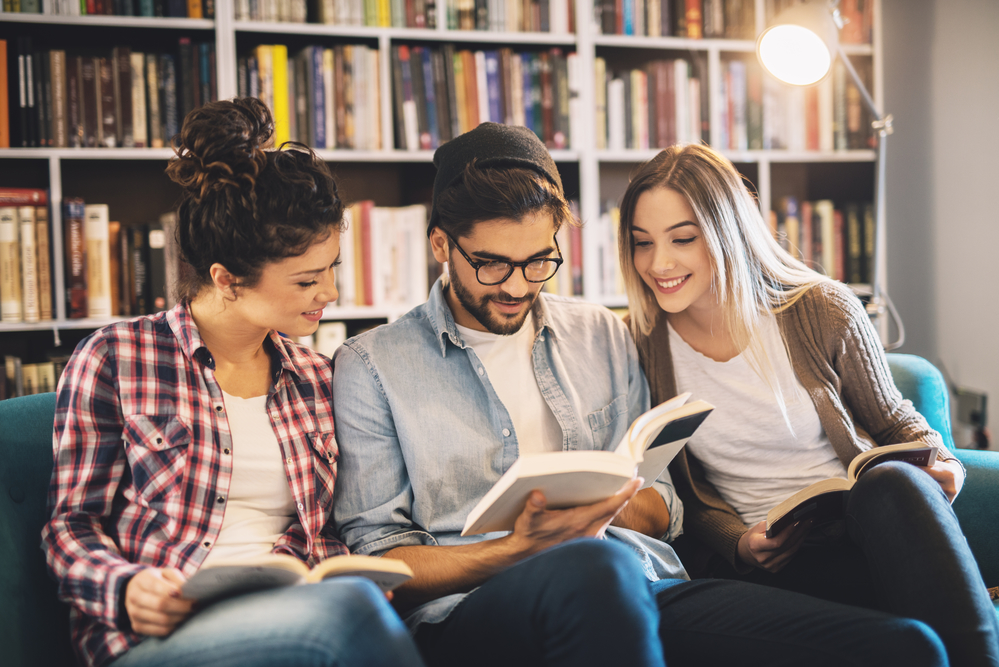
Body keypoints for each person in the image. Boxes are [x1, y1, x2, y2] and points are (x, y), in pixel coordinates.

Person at [331, 122, 950, 667]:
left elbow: (663, 502)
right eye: (491, 265)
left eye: (539, 261)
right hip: (477, 607)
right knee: (589, 566)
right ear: (442, 245)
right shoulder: (371, 365)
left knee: (907, 649)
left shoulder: (602, 331)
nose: (518, 287)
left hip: (643, 580)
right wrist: (520, 548)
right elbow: (381, 558)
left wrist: (608, 506)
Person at [41, 98, 425, 667]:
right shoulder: (115, 358)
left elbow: (329, 530)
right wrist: (125, 589)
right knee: (349, 620)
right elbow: (70, 524)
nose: (330, 294)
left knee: (363, 610)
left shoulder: (321, 379)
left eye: (333, 269)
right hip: (162, 634)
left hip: (301, 612)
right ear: (227, 279)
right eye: (305, 280)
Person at [617, 142, 999, 667]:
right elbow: (683, 490)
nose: (658, 264)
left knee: (893, 481)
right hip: (765, 565)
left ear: (729, 231)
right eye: (641, 243)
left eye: (683, 238)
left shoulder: (819, 309)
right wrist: (739, 543)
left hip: (861, 529)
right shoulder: (639, 343)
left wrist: (943, 461)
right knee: (908, 635)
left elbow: (894, 421)